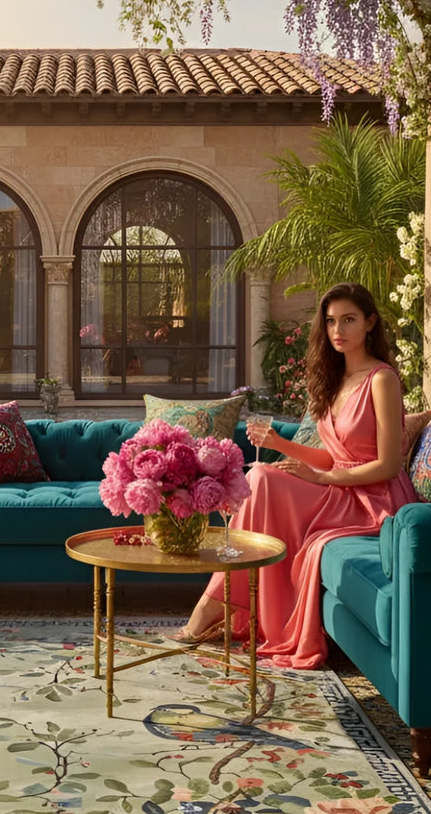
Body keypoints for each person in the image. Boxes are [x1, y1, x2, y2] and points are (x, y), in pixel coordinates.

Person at [174, 281, 417, 669]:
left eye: (349, 320)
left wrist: (320, 478)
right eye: (331, 321)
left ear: (370, 322)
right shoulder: (336, 378)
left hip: (373, 499)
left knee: (262, 480)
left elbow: (387, 466)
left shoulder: (382, 379)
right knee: (262, 471)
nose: (338, 330)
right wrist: (279, 444)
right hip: (341, 485)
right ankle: (229, 603)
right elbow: (336, 456)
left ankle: (215, 606)